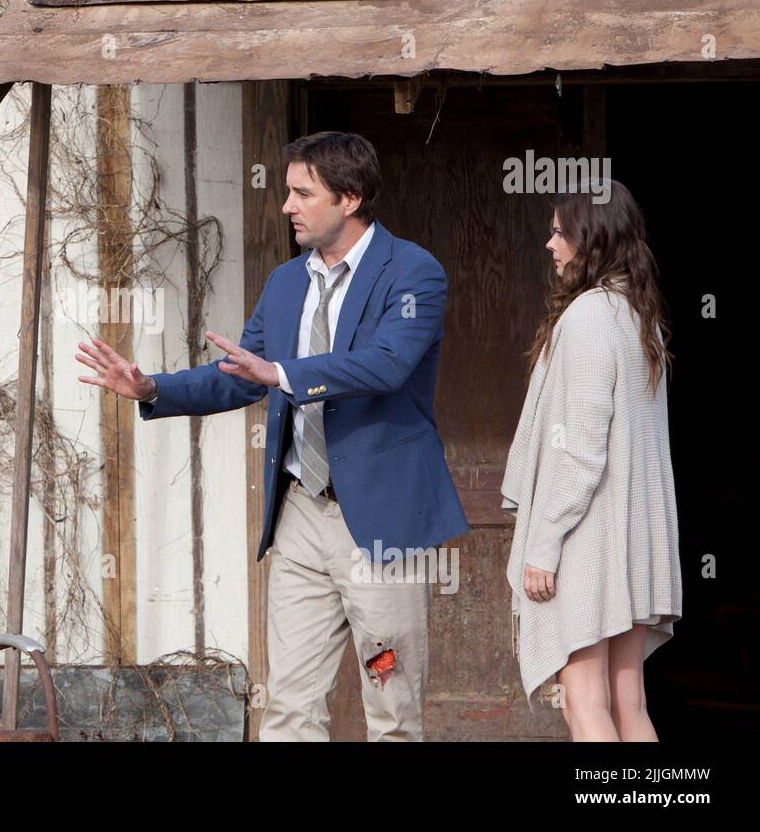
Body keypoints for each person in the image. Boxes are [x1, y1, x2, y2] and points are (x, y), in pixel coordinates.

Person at [76, 131, 467, 741]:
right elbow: (240, 375)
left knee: (392, 708)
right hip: (299, 518)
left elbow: (387, 365)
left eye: (302, 193)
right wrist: (153, 388)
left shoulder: (413, 272)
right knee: (287, 709)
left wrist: (282, 373)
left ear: (350, 198)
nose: (286, 205)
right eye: (287, 191)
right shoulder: (288, 281)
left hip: (380, 524)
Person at [502, 179, 682, 741]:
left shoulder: (587, 318)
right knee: (629, 703)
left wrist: (544, 541)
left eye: (562, 233)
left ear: (594, 239)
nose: (550, 245)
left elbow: (578, 450)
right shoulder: (639, 317)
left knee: (583, 703)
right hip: (632, 540)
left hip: (590, 539)